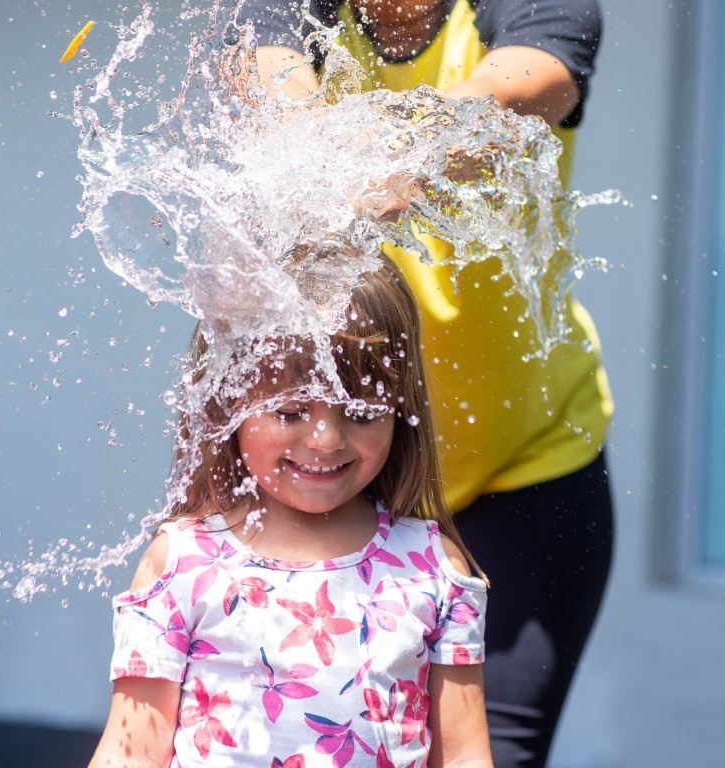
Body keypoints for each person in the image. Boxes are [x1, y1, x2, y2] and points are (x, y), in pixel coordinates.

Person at [239, 2, 614, 766]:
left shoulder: (523, 10)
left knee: (492, 753)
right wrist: (316, 147)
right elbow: (258, 68)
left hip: (524, 465)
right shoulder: (289, 15)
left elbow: (540, 74)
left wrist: (414, 140)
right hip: (333, 472)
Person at [89, 242, 492, 768]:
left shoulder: (432, 568)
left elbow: (463, 757)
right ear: (229, 402)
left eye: (363, 410)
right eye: (290, 410)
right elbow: (131, 753)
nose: (326, 439)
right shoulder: (183, 564)